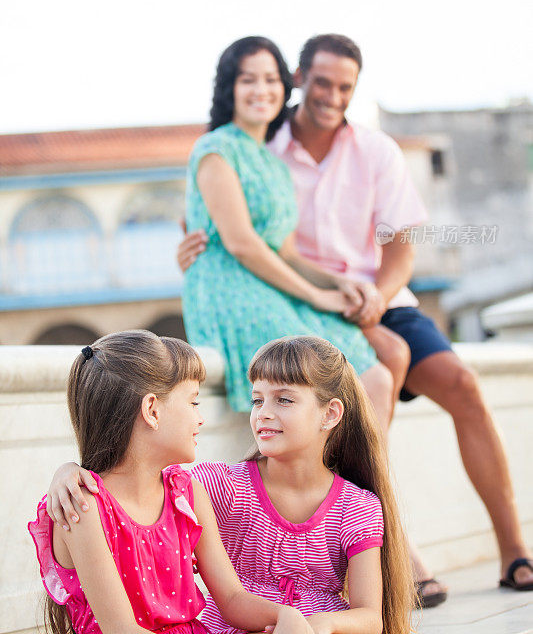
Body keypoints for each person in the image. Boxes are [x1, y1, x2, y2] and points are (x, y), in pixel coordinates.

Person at [178, 33, 533, 599]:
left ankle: (514, 548)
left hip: (372, 296)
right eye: (321, 82)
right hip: (301, 300)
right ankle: (382, 543)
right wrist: (189, 245)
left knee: (461, 384)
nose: (332, 96)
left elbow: (400, 244)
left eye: (345, 87)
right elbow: (224, 223)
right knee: (378, 366)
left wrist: (371, 294)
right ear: (301, 78)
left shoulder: (375, 150)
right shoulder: (261, 143)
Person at [46, 335, 416, 634]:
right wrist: (68, 470)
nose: (263, 412)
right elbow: (121, 626)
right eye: (257, 400)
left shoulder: (356, 507)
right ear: (152, 410)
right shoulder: (213, 488)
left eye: (284, 399)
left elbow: (369, 616)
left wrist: (301, 621)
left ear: (330, 413)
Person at [181, 35, 408, 430]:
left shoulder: (272, 163)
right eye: (248, 80)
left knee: (376, 377)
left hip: (272, 283)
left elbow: (286, 253)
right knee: (324, 378)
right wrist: (318, 296)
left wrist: (341, 283)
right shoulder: (215, 150)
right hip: (230, 286)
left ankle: (364, 493)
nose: (261, 90)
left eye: (270, 80)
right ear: (229, 87)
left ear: (284, 86)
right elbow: (241, 244)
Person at [28, 330, 312, 634]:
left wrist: (286, 616)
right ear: (152, 410)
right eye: (193, 402)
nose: (200, 418)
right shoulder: (83, 507)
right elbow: (122, 629)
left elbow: (232, 599)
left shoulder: (186, 494)